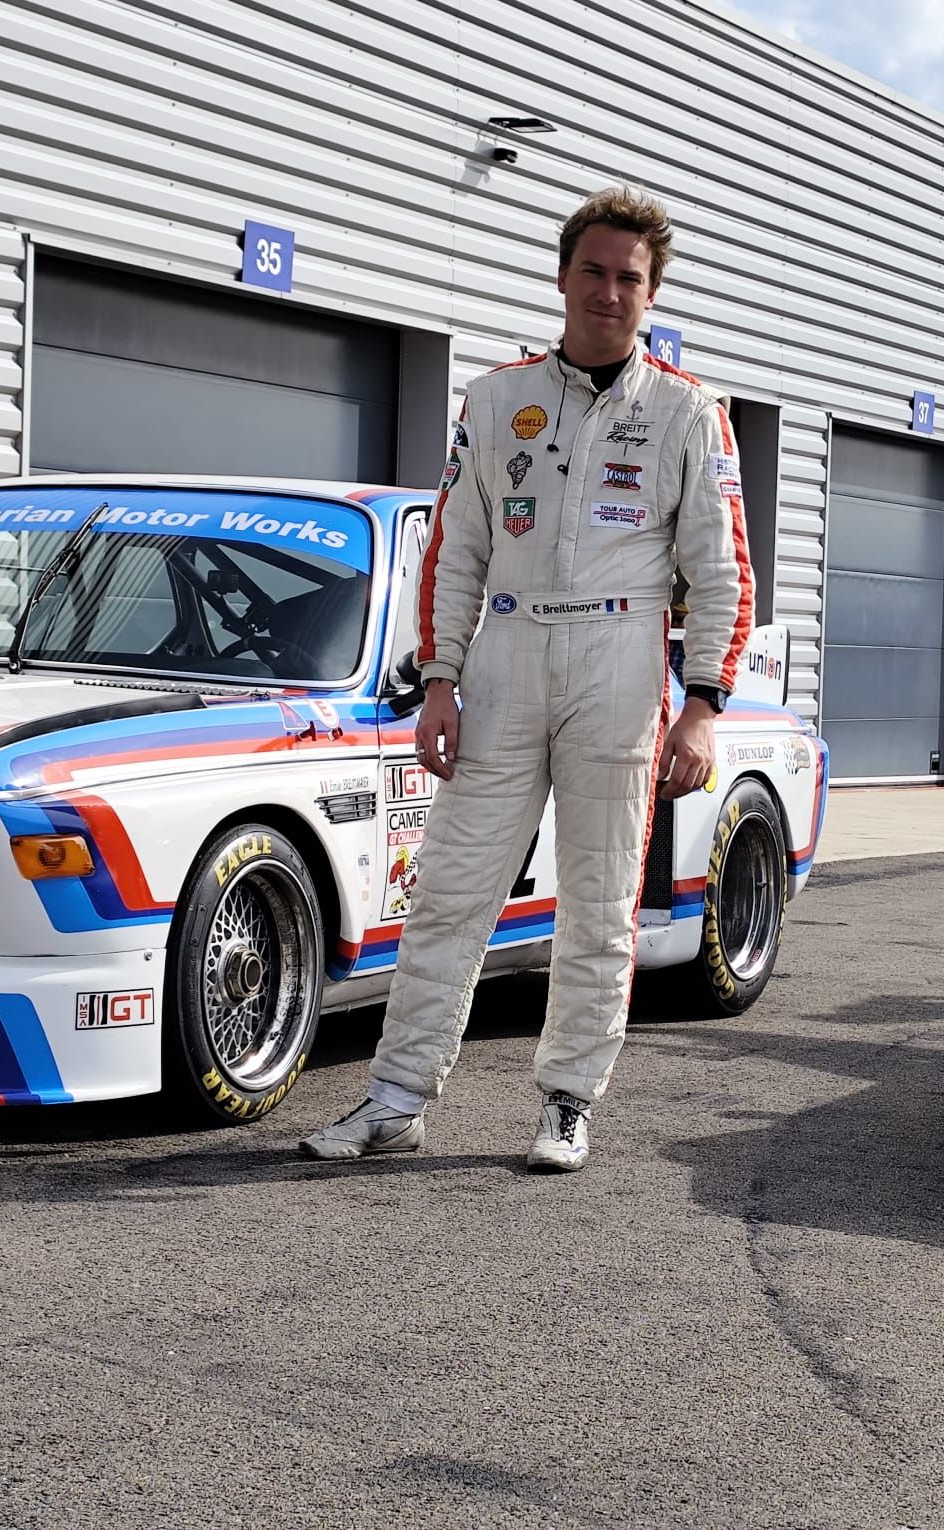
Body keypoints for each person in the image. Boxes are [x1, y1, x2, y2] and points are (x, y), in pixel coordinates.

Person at [301, 186, 754, 1172]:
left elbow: (722, 571)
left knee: (599, 902)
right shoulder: (496, 399)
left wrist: (703, 706)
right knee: (448, 892)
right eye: (592, 271)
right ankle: (395, 1098)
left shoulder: (689, 413)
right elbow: (455, 549)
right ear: (561, 277)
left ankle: (566, 1102)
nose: (608, 292)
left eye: (628, 277)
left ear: (652, 292)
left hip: (620, 660)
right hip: (504, 655)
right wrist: (438, 681)